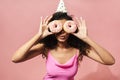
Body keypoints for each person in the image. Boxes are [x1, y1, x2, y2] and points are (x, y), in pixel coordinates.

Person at [12, 12, 115, 80]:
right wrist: (39, 35)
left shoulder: (78, 50)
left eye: (66, 28)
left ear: (71, 29)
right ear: (52, 29)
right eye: (58, 28)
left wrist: (86, 38)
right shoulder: (45, 48)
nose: (62, 33)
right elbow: (15, 59)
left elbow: (110, 61)